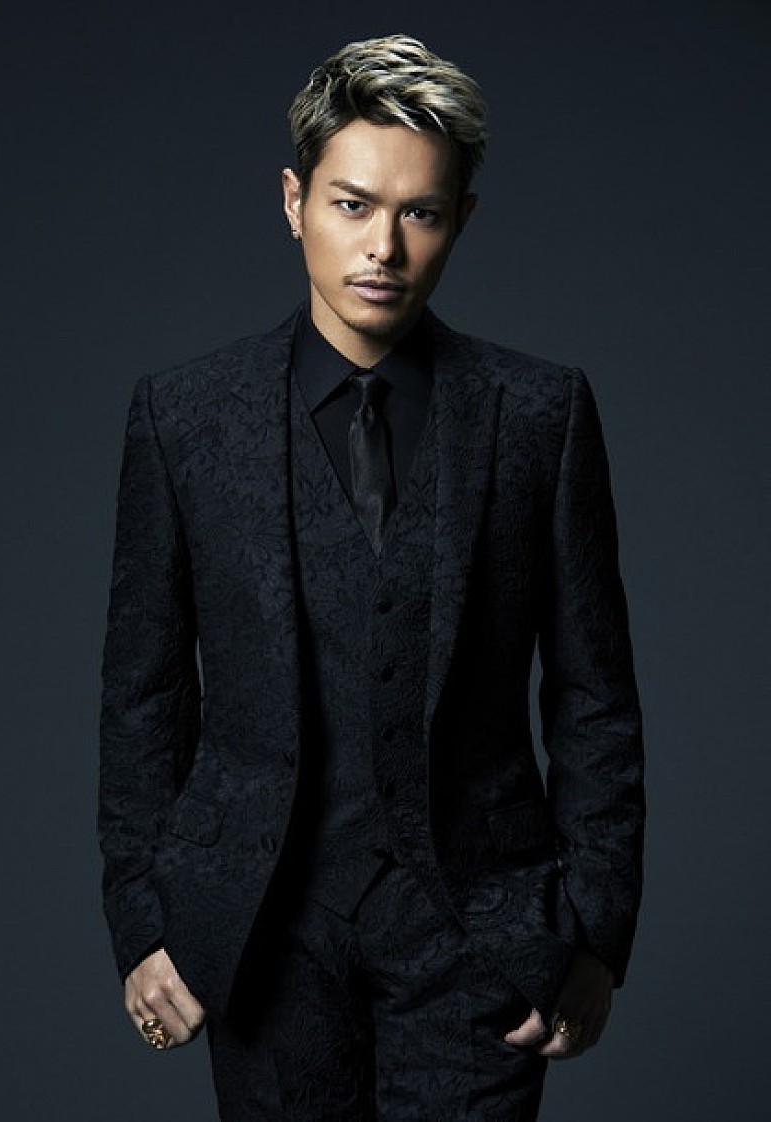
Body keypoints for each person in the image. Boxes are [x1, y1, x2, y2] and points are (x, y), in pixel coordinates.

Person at [98, 33, 645, 1121]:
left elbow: (593, 695)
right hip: (260, 935)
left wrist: (592, 932)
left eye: (420, 213)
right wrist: (144, 920)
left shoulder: (540, 415)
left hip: (480, 937)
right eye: (352, 206)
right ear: (293, 201)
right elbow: (143, 695)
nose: (383, 247)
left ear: (460, 220)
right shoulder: (184, 418)